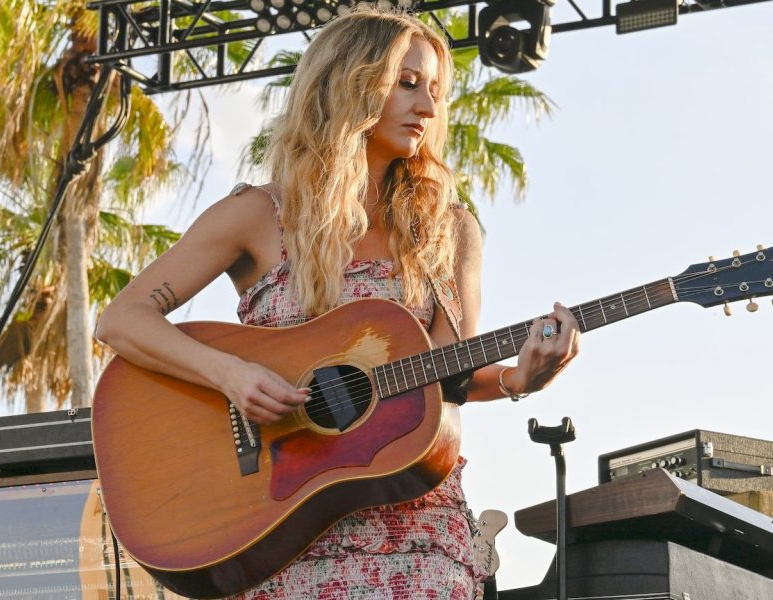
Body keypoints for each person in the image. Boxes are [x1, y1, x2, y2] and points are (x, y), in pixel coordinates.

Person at [95, 5, 580, 598]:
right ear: (349, 82)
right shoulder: (259, 216)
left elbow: (451, 376)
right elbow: (122, 319)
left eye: (434, 89)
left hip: (416, 531)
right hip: (274, 530)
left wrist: (517, 379)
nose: (428, 107)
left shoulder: (450, 230)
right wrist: (230, 375)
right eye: (406, 84)